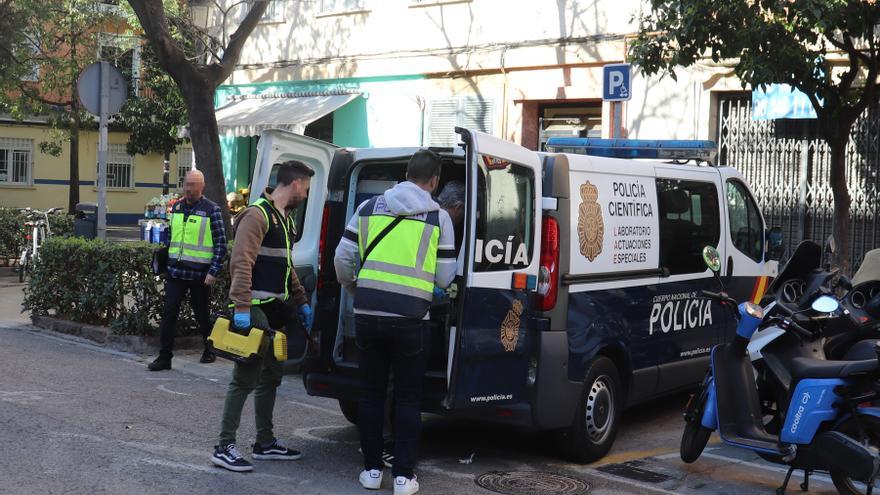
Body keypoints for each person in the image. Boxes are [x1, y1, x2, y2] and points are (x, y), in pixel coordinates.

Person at [335, 150, 456, 495]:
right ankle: (403, 477)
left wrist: (354, 287)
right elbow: (446, 277)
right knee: (407, 399)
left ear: (405, 173)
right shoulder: (439, 218)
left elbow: (342, 258)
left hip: (369, 317)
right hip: (411, 320)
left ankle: (372, 471)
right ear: (434, 181)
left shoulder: (368, 207)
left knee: (371, 395)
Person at [211, 161, 315, 472]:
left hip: (273, 308)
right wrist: (242, 308)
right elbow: (241, 262)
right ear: (295, 184)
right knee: (245, 377)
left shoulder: (285, 219)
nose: (307, 196)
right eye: (307, 189)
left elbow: (286, 266)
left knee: (272, 376)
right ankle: (223, 445)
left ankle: (264, 442)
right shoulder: (257, 215)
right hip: (252, 308)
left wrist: (301, 301)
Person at [149, 170, 227, 371]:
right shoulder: (176, 208)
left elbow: (221, 244)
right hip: (176, 272)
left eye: (194, 185)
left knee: (201, 314)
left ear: (202, 187)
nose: (190, 189)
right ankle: (164, 357)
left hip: (200, 275)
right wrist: (164, 261)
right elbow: (171, 238)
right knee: (168, 314)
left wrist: (214, 271)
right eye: (187, 184)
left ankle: (210, 349)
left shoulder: (212, 210)